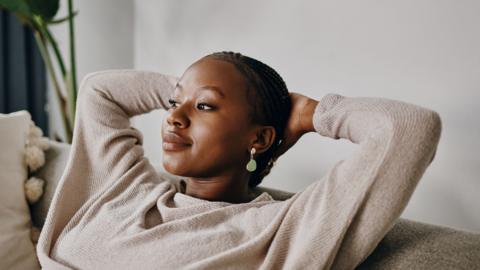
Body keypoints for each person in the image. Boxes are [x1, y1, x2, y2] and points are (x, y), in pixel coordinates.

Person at [37, 51, 442, 269]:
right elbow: (99, 92)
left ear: (260, 137)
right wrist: (187, 89)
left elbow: (409, 128)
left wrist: (310, 114)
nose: (174, 118)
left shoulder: (282, 233)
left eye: (206, 107)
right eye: (175, 104)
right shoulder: (125, 188)